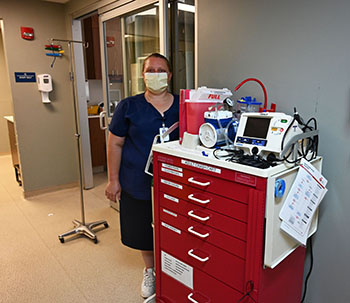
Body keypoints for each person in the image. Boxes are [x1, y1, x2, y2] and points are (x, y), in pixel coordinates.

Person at [105, 53, 179, 299]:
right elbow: (115, 144)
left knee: (174, 228)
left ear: (169, 75)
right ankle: (151, 270)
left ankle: (173, 272)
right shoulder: (129, 106)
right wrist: (113, 180)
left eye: (161, 70)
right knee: (144, 230)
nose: (155, 75)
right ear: (143, 75)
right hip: (137, 180)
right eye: (150, 70)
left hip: (174, 181)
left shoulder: (183, 105)